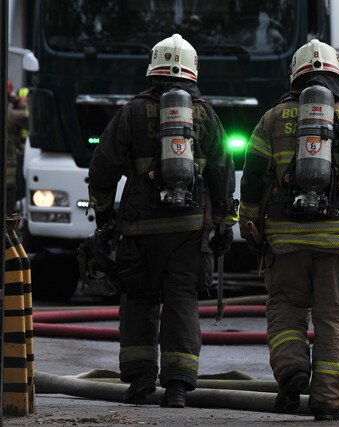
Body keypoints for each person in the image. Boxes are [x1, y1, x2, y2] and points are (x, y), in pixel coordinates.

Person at [239, 39, 339, 421]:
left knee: (287, 308)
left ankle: (293, 370)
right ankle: (327, 403)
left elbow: (253, 178)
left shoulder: (272, 119)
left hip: (286, 238)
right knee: (334, 317)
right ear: (338, 73)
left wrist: (249, 224)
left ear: (295, 74)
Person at [88, 34, 237, 408]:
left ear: (152, 69)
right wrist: (223, 224)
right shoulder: (205, 114)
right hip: (189, 231)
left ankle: (140, 381)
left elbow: (103, 167)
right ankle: (177, 387)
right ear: (192, 70)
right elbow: (222, 173)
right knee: (182, 302)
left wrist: (104, 215)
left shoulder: (133, 111)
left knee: (138, 299)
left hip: (139, 230)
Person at [7, 80, 29, 213]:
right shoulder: (10, 116)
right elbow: (31, 117)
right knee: (8, 212)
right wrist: (17, 102)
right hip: (7, 174)